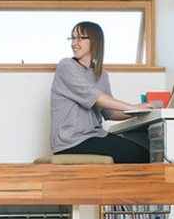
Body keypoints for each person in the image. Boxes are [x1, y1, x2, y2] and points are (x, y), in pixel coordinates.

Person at [50, 21, 152, 163]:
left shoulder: (101, 74)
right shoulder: (66, 66)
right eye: (73, 38)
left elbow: (110, 113)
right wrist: (132, 107)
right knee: (140, 155)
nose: (74, 43)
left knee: (144, 152)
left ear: (95, 41)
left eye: (80, 38)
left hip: (94, 136)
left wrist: (142, 111)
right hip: (72, 141)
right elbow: (97, 97)